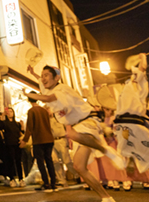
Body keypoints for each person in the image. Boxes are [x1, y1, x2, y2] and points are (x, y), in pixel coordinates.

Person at [27, 65, 124, 202]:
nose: (43, 79)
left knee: (72, 135)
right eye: (42, 76)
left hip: (88, 120)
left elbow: (49, 98)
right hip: (78, 126)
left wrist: (28, 94)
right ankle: (106, 198)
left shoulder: (61, 90)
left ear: (57, 78)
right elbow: (43, 87)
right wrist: (33, 73)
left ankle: (106, 150)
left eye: (46, 76)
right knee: (79, 166)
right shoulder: (47, 88)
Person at [114, 53, 149, 175]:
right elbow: (143, 67)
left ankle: (130, 158)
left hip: (123, 123)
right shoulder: (134, 86)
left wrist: (140, 58)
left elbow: (142, 68)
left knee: (126, 146)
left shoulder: (129, 89)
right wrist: (142, 57)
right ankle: (131, 158)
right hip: (134, 122)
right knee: (143, 148)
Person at [20, 94, 56, 192]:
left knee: (40, 161)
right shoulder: (44, 111)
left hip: (39, 140)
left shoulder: (31, 111)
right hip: (49, 138)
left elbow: (30, 127)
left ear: (29, 100)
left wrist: (25, 140)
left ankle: (46, 183)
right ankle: (53, 182)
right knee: (49, 160)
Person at [46, 106, 79, 187]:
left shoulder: (59, 118)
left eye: (48, 109)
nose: (48, 111)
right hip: (51, 141)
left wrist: (69, 140)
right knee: (55, 161)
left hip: (61, 140)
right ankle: (62, 180)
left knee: (67, 160)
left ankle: (77, 175)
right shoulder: (45, 121)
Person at [0, 107, 25, 188]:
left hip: (17, 144)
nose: (10, 113)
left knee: (18, 162)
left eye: (11, 111)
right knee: (11, 162)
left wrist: (22, 128)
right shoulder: (5, 123)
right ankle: (12, 179)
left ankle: (21, 179)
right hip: (8, 145)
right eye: (8, 111)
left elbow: (21, 133)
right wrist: (2, 116)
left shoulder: (17, 124)